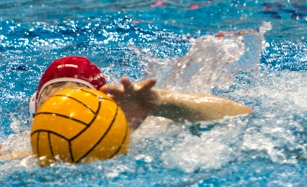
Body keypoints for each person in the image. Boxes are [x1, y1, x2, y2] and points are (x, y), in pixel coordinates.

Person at [30, 56, 253, 131]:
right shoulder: (26, 150)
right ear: (35, 110)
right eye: (52, 105)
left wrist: (161, 103)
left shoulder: (142, 132)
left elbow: (241, 114)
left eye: (77, 104)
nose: (65, 116)